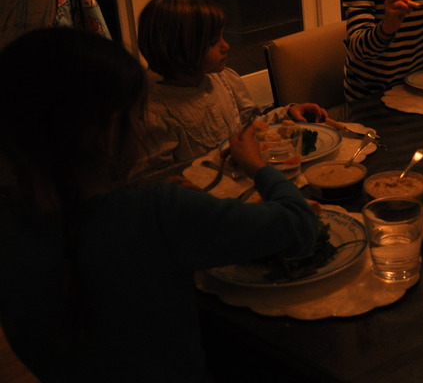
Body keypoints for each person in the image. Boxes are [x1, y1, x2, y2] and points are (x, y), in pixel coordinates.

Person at [0, 27, 321, 381]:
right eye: (139, 117)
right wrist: (257, 166)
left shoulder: (14, 226)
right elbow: (299, 224)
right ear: (110, 133)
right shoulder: (159, 212)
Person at [134, 0, 328, 176]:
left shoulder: (222, 78)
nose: (226, 46)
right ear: (179, 50)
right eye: (213, 42)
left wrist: (288, 112)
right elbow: (156, 182)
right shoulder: (155, 114)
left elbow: (250, 126)